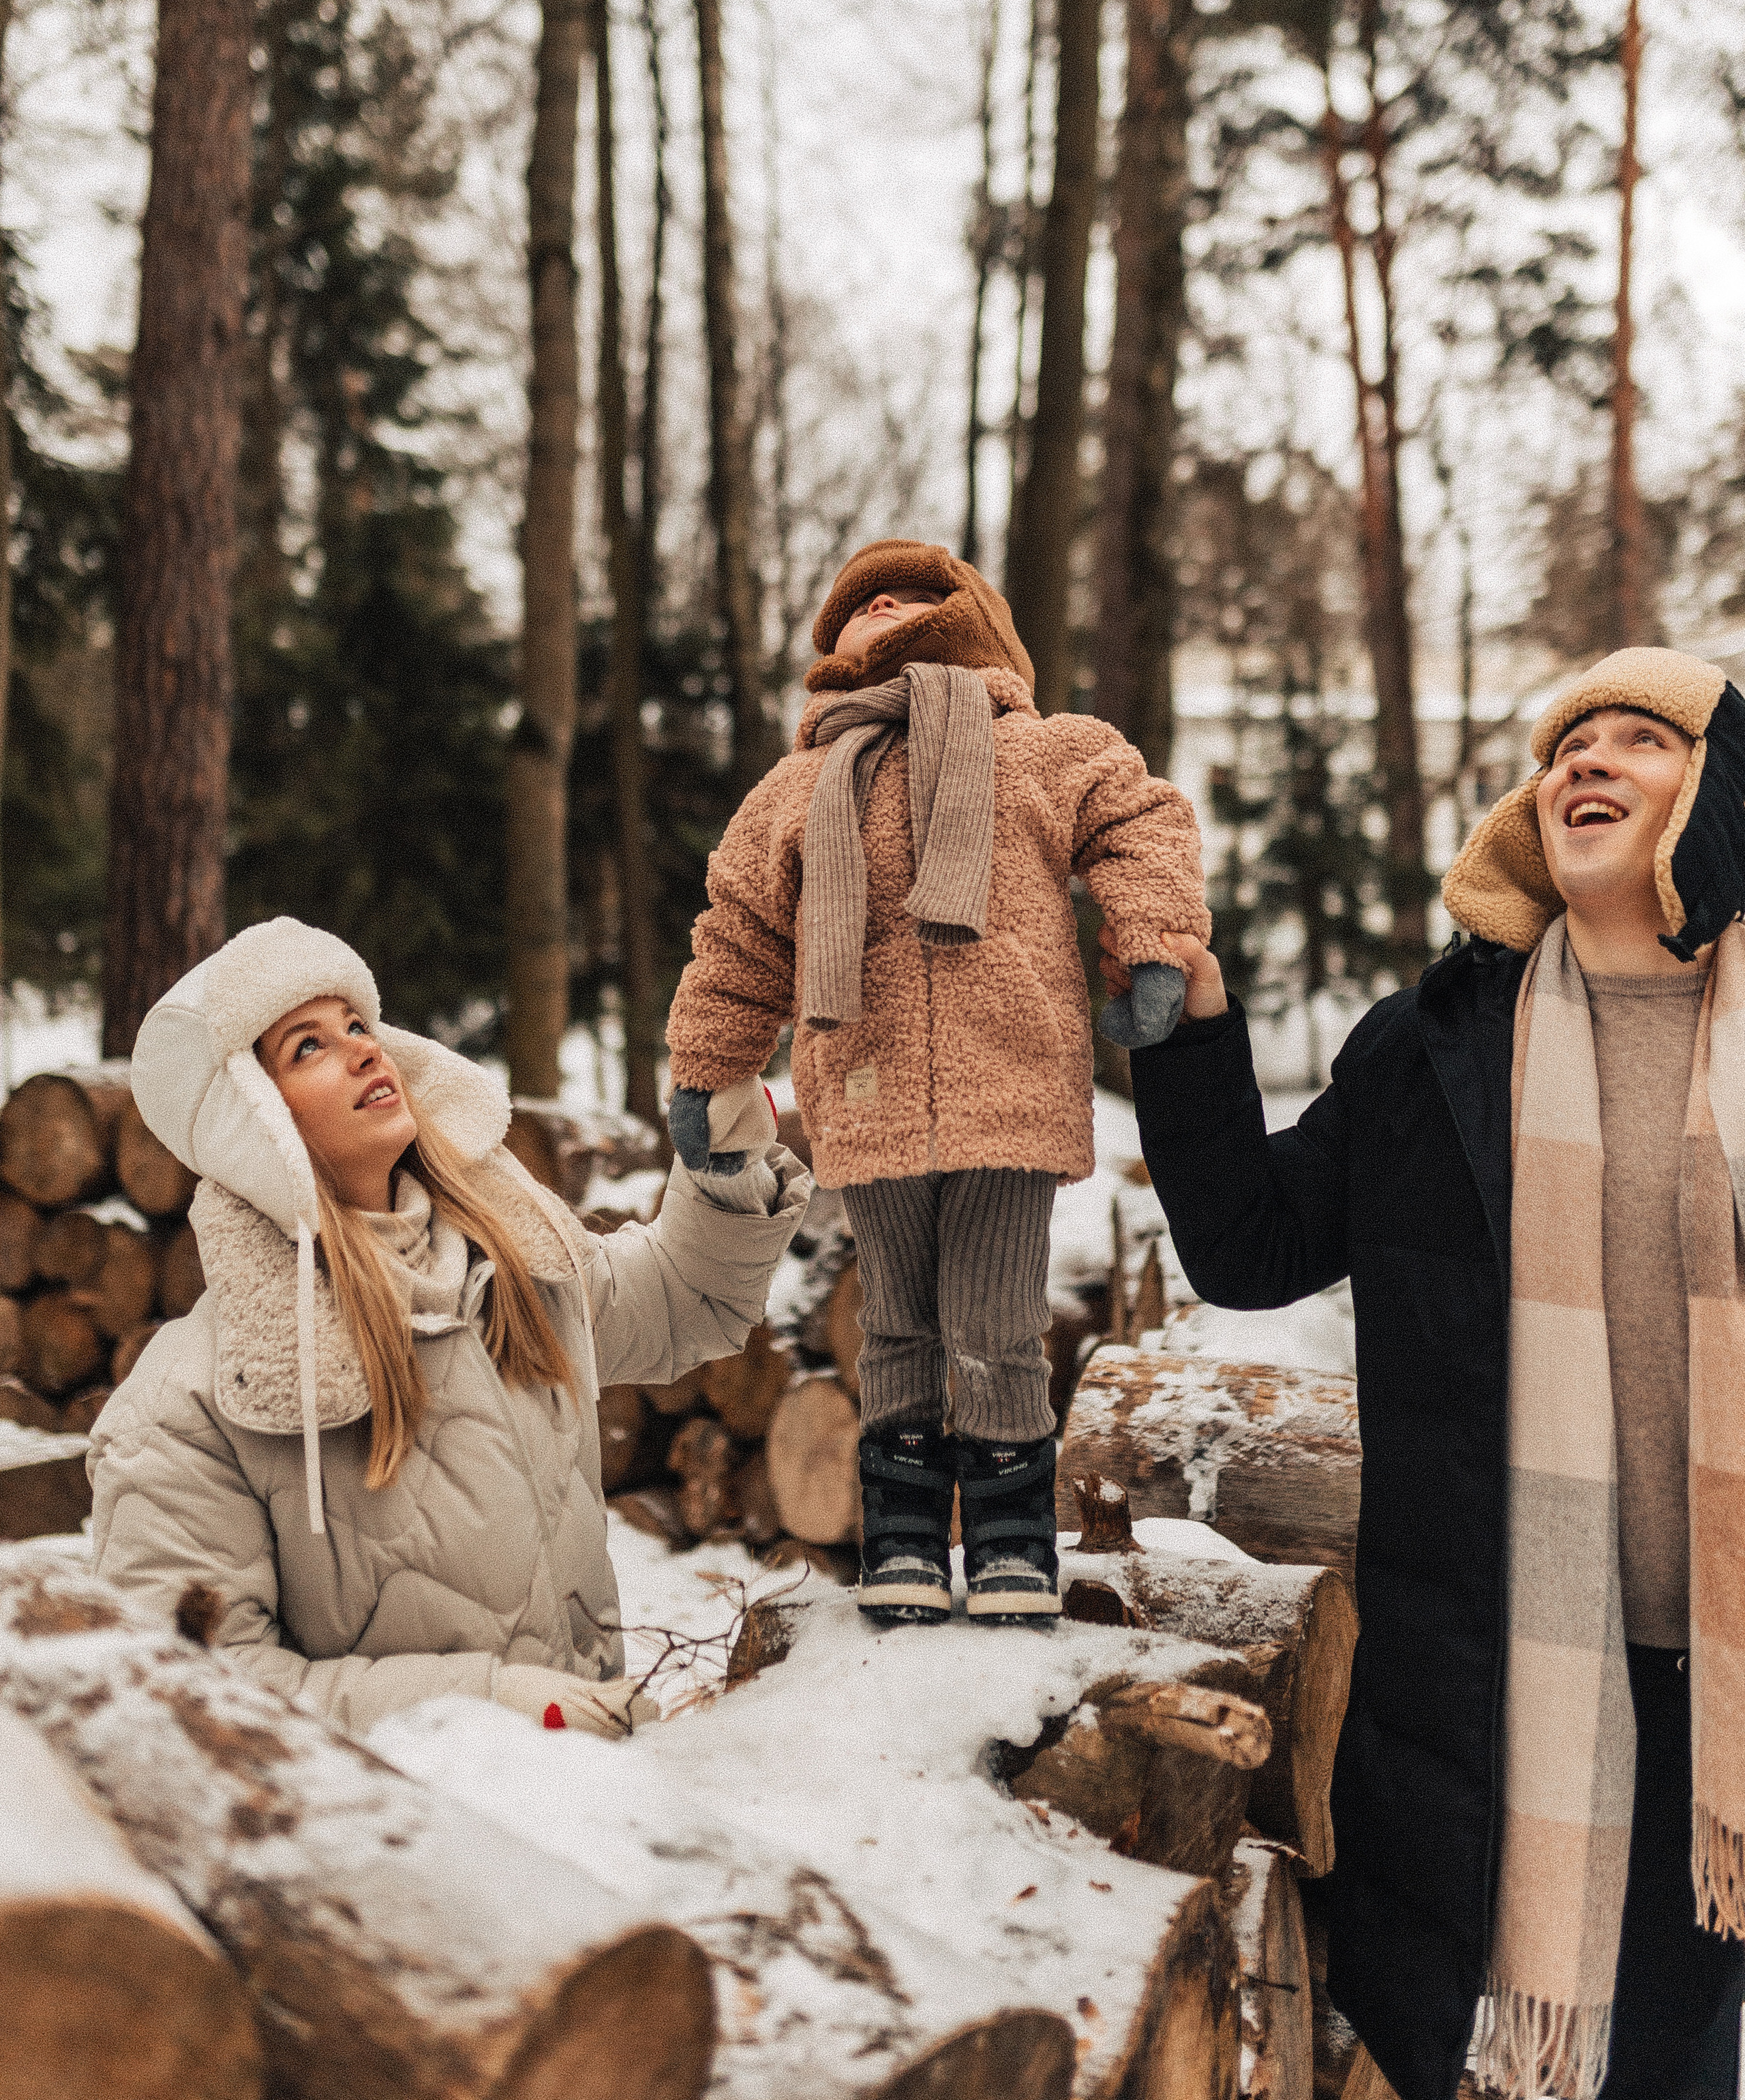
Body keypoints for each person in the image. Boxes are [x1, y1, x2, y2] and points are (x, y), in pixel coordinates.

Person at [1111, 647, 1745, 2100]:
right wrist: (1193, 1025)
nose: (1583, 760)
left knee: (1672, 2063)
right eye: (1564, 742)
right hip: (1489, 1673)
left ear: (1713, 793)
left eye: (1637, 738)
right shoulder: (1438, 1046)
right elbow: (1254, 1244)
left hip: (1715, 1693)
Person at [663, 538, 1210, 1626]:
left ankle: (1011, 1545)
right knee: (900, 1323)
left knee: (998, 1320)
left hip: (1009, 1079)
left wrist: (1154, 944)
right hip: (861, 1086)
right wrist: (708, 1066)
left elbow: (1145, 822)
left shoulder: (1046, 750)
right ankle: (904, 1541)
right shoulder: (800, 783)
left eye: (915, 596)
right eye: (864, 603)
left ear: (977, 622)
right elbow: (741, 937)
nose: (886, 610)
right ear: (833, 646)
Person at [88, 917, 808, 1737]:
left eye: (359, 1024)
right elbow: (195, 1695)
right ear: (252, 1125)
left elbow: (686, 1303)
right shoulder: (188, 1405)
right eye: (307, 1047)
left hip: (602, 1798)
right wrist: (490, 1704)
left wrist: (720, 1171)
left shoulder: (514, 1269)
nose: (364, 1049)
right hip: (407, 1839)